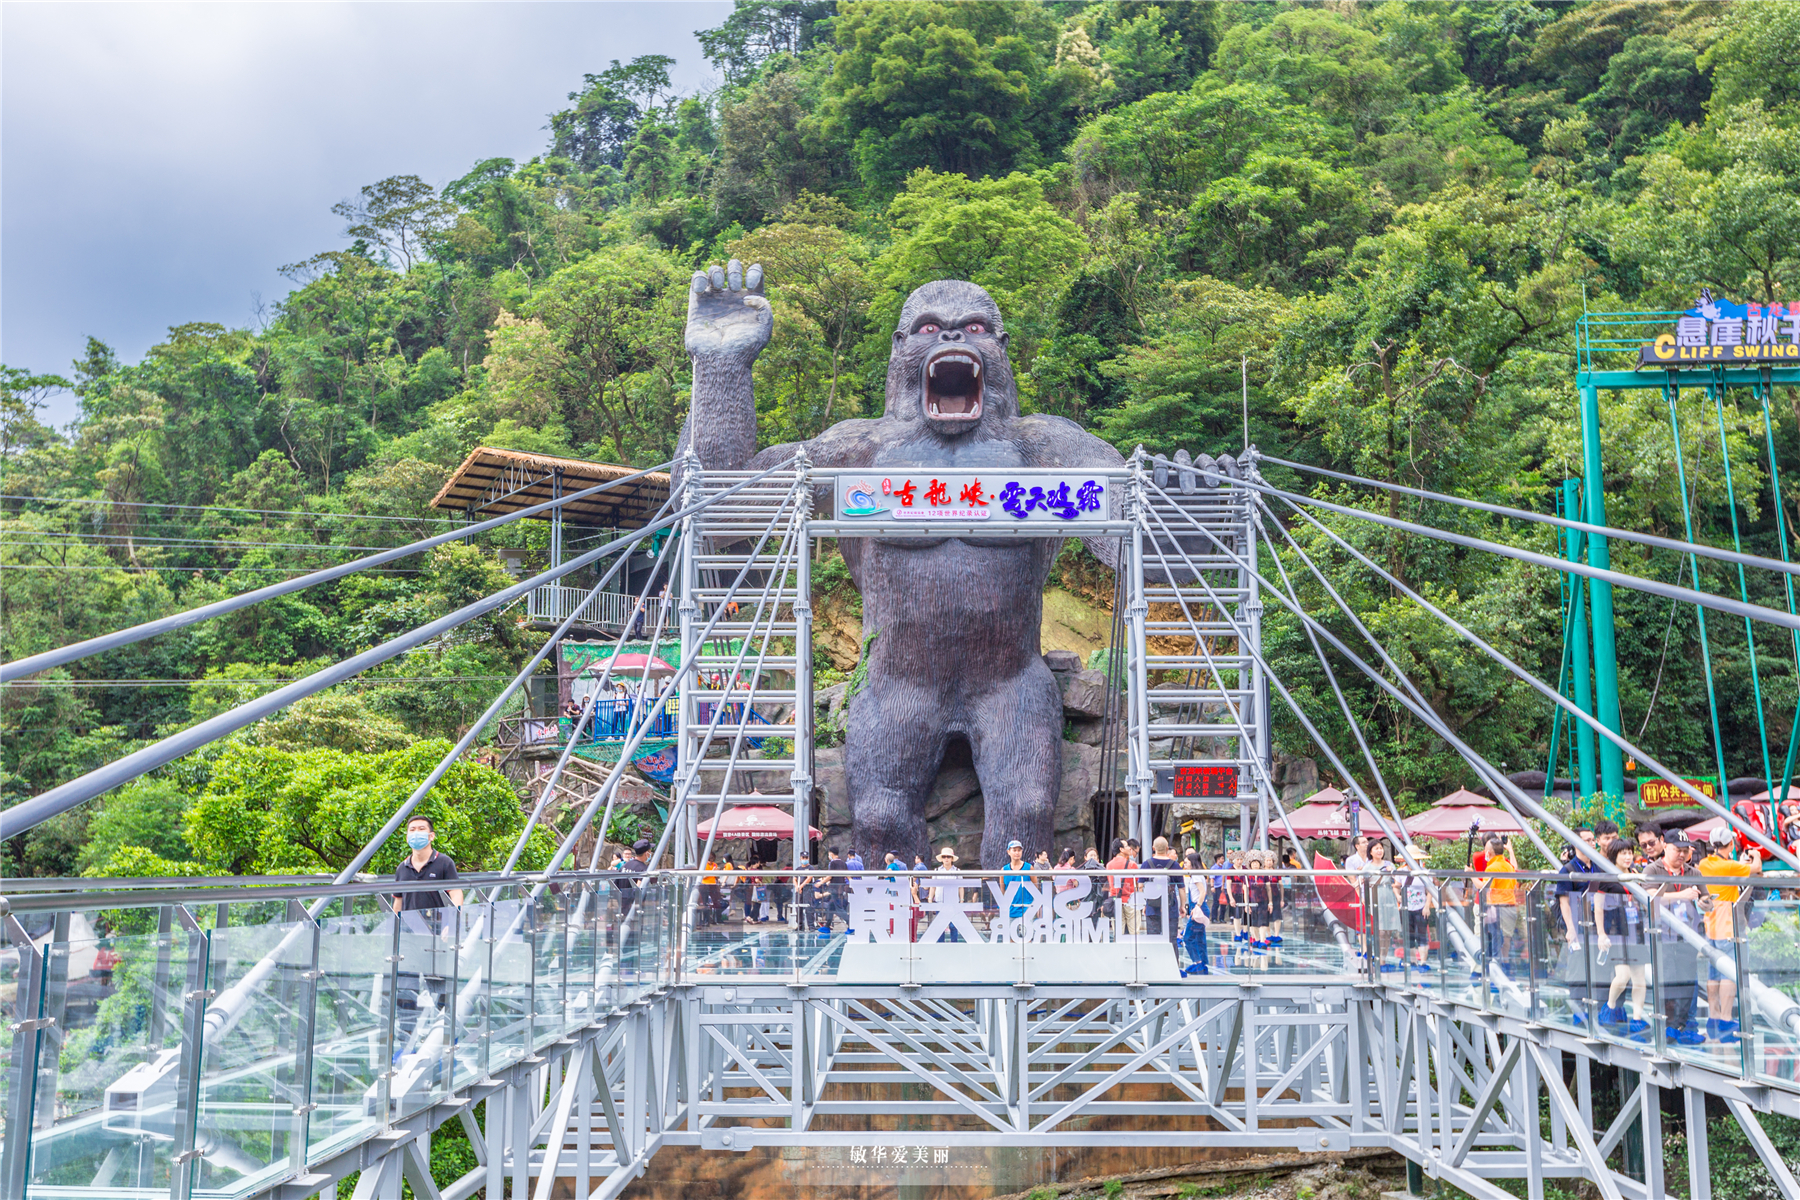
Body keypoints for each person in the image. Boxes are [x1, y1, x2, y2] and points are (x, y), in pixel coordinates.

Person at [1698, 825, 1760, 1043]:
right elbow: (1757, 868)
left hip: (1711, 921)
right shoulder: (1729, 866)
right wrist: (1755, 855)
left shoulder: (1705, 863)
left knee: (1713, 972)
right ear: (1730, 845)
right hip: (1727, 923)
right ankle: (1726, 1019)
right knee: (1729, 972)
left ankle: (1714, 1018)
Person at [1643, 835, 1706, 1045]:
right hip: (1663, 936)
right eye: (1677, 849)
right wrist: (1682, 896)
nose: (1681, 854)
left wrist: (1705, 903)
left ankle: (1685, 1025)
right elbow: (1651, 898)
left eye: (1685, 850)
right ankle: (1667, 1027)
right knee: (1667, 979)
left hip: (1688, 935)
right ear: (1665, 847)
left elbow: (1704, 897)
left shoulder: (1693, 872)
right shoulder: (1653, 870)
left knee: (1688, 981)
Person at [1594, 840, 1650, 1035]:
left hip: (1636, 931)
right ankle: (1609, 1008)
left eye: (1629, 853)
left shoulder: (1635, 875)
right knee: (1623, 976)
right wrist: (1601, 933)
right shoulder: (1606, 878)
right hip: (1616, 932)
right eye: (1623, 853)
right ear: (1614, 856)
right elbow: (1598, 907)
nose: (1627, 857)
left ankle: (1636, 1018)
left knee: (1639, 979)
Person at [394, 816, 464, 920]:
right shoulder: (402, 867)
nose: (416, 833)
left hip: (437, 928)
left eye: (421, 829)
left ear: (431, 836)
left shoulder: (445, 862)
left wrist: (452, 923)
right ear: (407, 838)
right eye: (412, 830)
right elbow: (398, 901)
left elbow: (456, 894)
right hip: (408, 930)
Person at [1479, 836, 1521, 975]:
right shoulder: (1508, 866)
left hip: (1497, 907)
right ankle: (1508, 972)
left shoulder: (1491, 868)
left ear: (1489, 853)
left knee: (1497, 943)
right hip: (1510, 906)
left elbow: (1485, 888)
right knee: (1506, 942)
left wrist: (1471, 875)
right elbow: (1515, 883)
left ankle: (1499, 974)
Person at [1144, 836, 1180, 941]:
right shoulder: (1175, 865)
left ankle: (1154, 958)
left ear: (1153, 848)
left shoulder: (1147, 864)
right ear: (1167, 848)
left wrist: (1144, 904)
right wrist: (1182, 906)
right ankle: (1173, 958)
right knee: (1171, 939)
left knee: (1153, 940)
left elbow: (1140, 886)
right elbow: (1181, 887)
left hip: (1152, 907)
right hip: (1171, 906)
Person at [1180, 850, 1210, 976]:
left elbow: (1202, 892)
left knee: (1188, 937)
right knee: (1199, 937)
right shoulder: (1198, 875)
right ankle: (1202, 963)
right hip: (1199, 906)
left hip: (1199, 907)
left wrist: (1196, 906)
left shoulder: (1196, 876)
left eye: (1186, 862)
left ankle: (1198, 963)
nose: (1184, 865)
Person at [930, 846, 967, 942]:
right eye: (944, 857)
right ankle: (940, 946)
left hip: (953, 902)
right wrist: (930, 899)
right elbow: (933, 886)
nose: (946, 859)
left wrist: (962, 900)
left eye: (948, 857)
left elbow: (961, 887)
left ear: (952, 858)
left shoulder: (957, 871)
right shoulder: (937, 871)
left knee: (953, 925)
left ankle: (954, 945)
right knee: (940, 926)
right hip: (940, 901)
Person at [1106, 839, 1139, 934]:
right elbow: (1137, 884)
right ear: (1121, 849)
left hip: (1116, 900)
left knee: (1118, 932)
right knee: (1134, 933)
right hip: (1130, 901)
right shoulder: (1132, 865)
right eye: (1127, 846)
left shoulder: (1109, 865)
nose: (1129, 848)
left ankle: (1119, 949)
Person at [1001, 840, 1033, 922]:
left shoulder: (1029, 868)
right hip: (1010, 910)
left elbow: (1035, 888)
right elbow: (1002, 891)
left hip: (1027, 909)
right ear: (1008, 852)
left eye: (1019, 850)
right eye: (1014, 850)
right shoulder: (1004, 870)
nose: (1017, 853)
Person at [616, 838, 650, 916]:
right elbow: (638, 889)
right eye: (649, 852)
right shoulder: (643, 869)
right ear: (646, 853)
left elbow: (616, 885)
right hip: (635, 908)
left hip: (622, 906)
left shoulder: (625, 865)